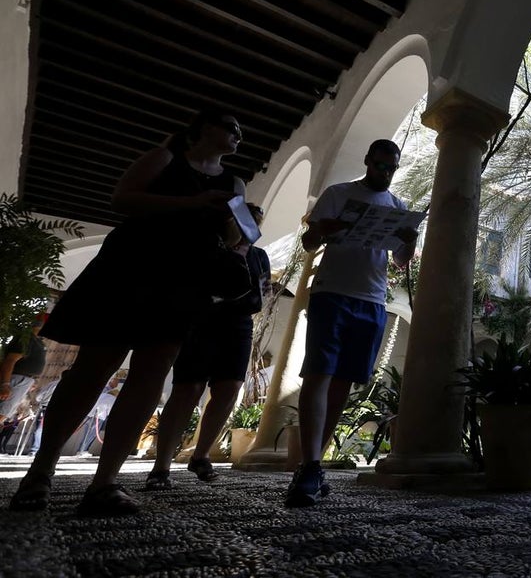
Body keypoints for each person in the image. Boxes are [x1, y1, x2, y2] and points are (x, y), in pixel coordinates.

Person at [8, 108, 247, 516]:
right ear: (203, 128)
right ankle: (41, 470)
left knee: (152, 373)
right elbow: (122, 199)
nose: (238, 134)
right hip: (131, 268)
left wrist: (234, 231)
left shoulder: (234, 182)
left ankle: (105, 482)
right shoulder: (166, 158)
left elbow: (233, 234)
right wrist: (193, 202)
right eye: (231, 126)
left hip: (185, 277)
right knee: (94, 367)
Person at [287, 139, 418, 507]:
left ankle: (313, 466)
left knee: (342, 384)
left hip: (372, 300)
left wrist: (409, 240)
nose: (385, 173)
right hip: (331, 292)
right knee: (318, 374)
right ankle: (310, 464)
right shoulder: (339, 193)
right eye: (380, 166)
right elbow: (309, 243)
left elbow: (401, 261)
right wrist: (324, 229)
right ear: (367, 161)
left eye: (391, 168)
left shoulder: (397, 207)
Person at [145, 203, 271, 489]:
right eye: (247, 221)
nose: (251, 228)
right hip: (202, 321)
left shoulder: (259, 256)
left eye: (256, 223)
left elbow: (262, 292)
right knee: (188, 388)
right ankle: (161, 466)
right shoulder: (212, 247)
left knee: (229, 388)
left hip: (239, 325)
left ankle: (201, 456)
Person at [0, 312, 49, 424]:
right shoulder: (27, 339)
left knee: (5, 413)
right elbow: (10, 361)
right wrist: (5, 384)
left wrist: (32, 380)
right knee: (3, 412)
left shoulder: (38, 341)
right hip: (16, 379)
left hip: (24, 381)